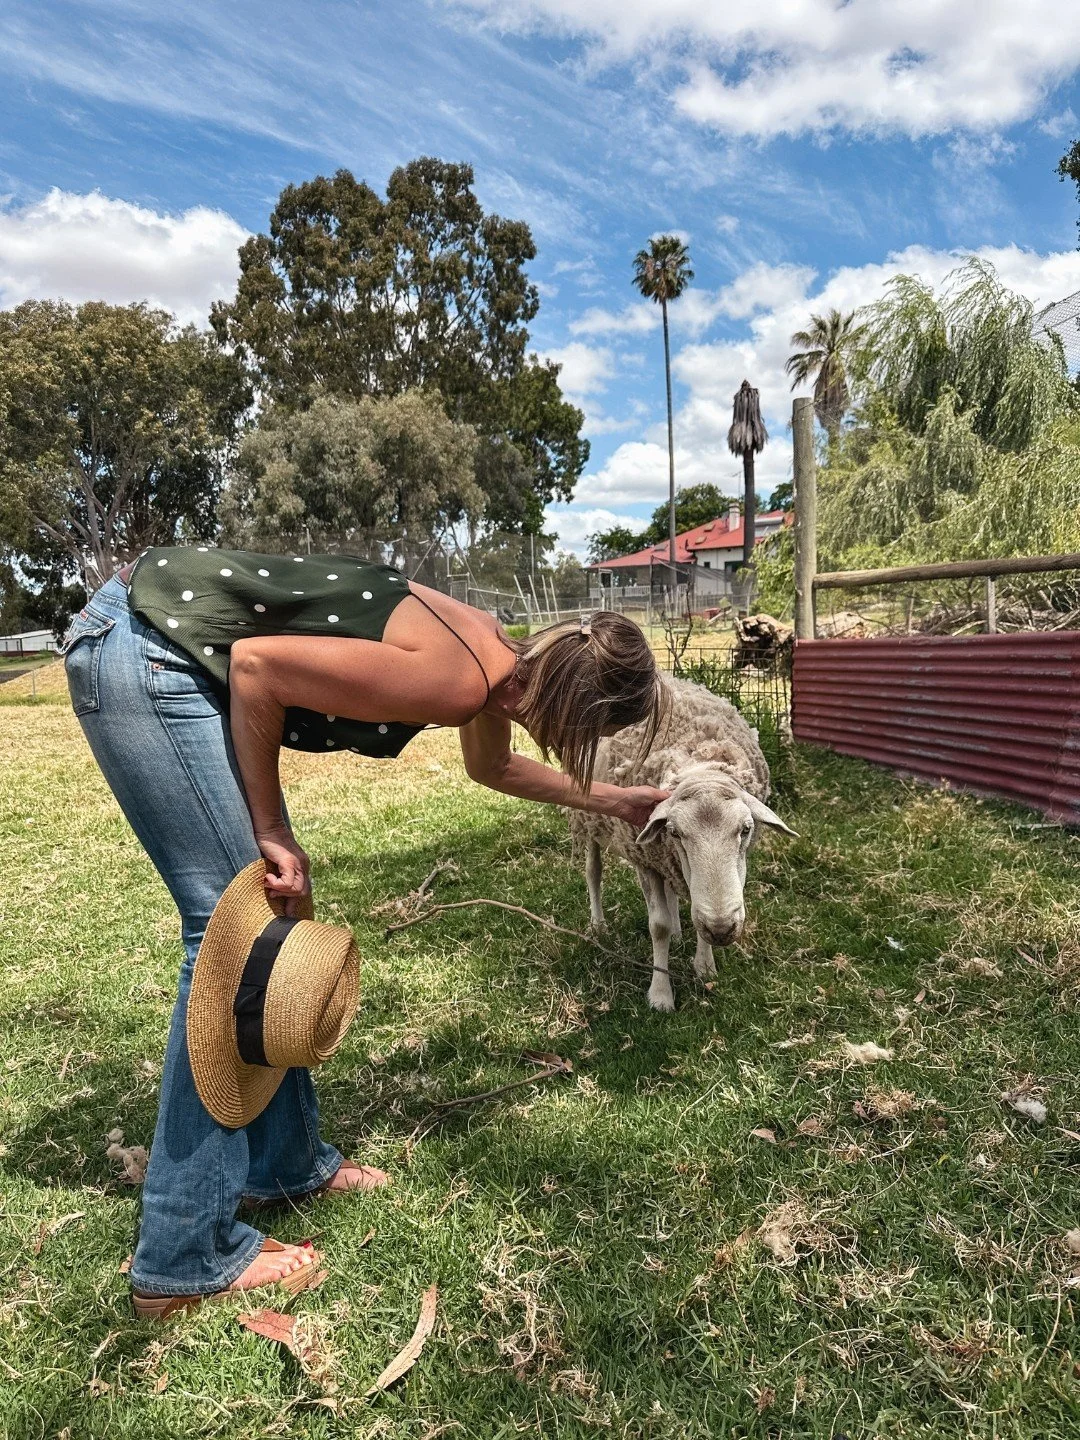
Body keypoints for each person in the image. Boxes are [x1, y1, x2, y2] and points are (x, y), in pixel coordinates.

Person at [61, 544, 669, 1312]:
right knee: (229, 933)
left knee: (266, 934)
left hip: (155, 637)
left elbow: (494, 769)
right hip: (145, 651)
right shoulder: (459, 681)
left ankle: (285, 1165)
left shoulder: (492, 656)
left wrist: (614, 799)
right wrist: (273, 826)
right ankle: (183, 1255)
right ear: (570, 707)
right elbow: (255, 668)